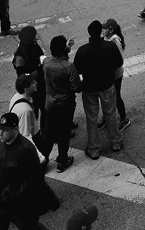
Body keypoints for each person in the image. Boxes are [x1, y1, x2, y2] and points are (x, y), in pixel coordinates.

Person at [0, 110, 59, 230]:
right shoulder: (0, 144)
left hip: (19, 205)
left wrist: (14, 193)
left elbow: (36, 180)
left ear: (15, 129)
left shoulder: (27, 149)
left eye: (5, 130)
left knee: (31, 227)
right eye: (0, 129)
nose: (1, 134)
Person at [73, 19, 123, 159]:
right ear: (101, 32)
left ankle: (94, 149)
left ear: (89, 34)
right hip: (107, 85)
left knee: (91, 118)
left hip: (89, 88)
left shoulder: (82, 51)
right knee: (111, 114)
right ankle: (115, 143)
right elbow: (119, 63)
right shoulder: (110, 47)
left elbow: (77, 70)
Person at [39, 34, 80, 171]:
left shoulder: (46, 64)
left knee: (49, 133)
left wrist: (65, 49)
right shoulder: (69, 67)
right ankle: (63, 159)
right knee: (64, 133)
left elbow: (53, 59)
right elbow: (77, 87)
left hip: (50, 105)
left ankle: (43, 158)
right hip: (65, 106)